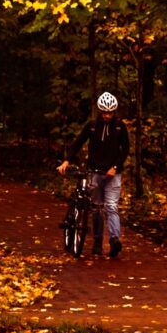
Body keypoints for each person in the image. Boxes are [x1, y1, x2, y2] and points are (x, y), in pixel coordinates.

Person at [58, 91, 131, 259]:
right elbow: (78, 143)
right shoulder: (91, 126)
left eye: (110, 112)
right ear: (100, 111)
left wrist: (115, 167)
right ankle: (97, 243)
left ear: (114, 112)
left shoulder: (120, 127)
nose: (107, 116)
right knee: (97, 207)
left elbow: (125, 149)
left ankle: (114, 241)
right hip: (94, 171)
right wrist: (66, 161)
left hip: (113, 173)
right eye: (104, 112)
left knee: (111, 207)